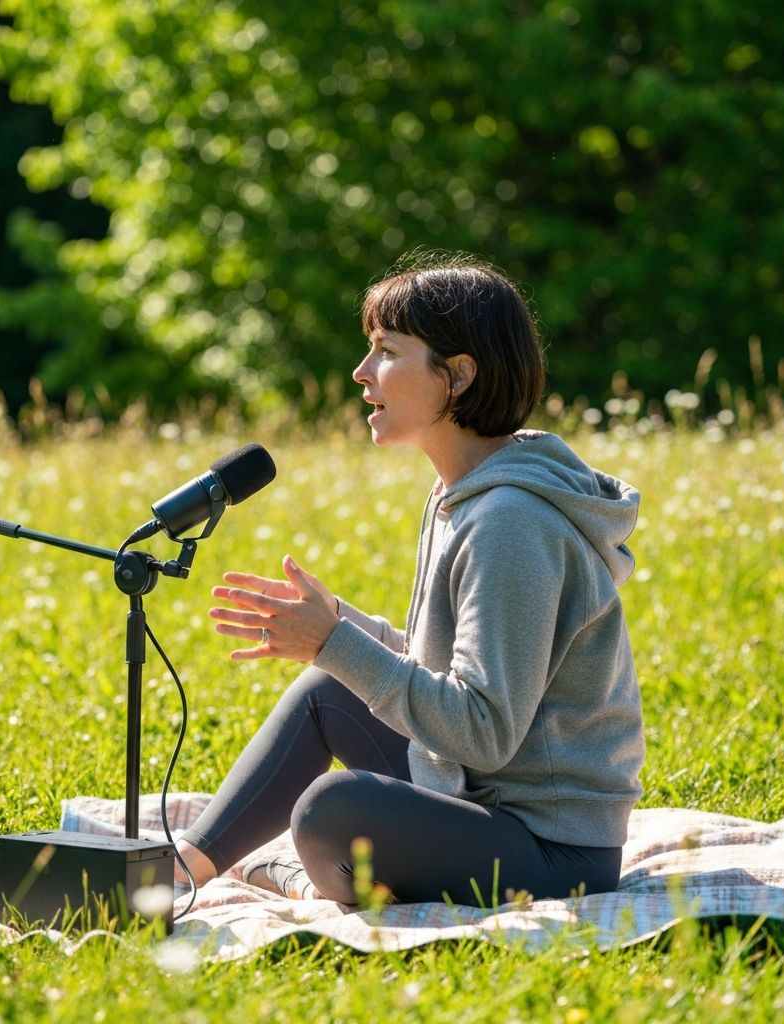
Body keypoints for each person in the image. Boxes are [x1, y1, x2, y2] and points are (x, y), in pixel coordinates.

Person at [174, 254, 645, 906]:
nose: (361, 374)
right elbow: (444, 672)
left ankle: (296, 875)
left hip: (553, 852)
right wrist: (340, 628)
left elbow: (481, 729)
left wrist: (333, 640)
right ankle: (180, 870)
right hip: (477, 795)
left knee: (332, 810)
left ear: (457, 375)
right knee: (327, 689)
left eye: (386, 352)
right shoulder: (463, 494)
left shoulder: (510, 522)